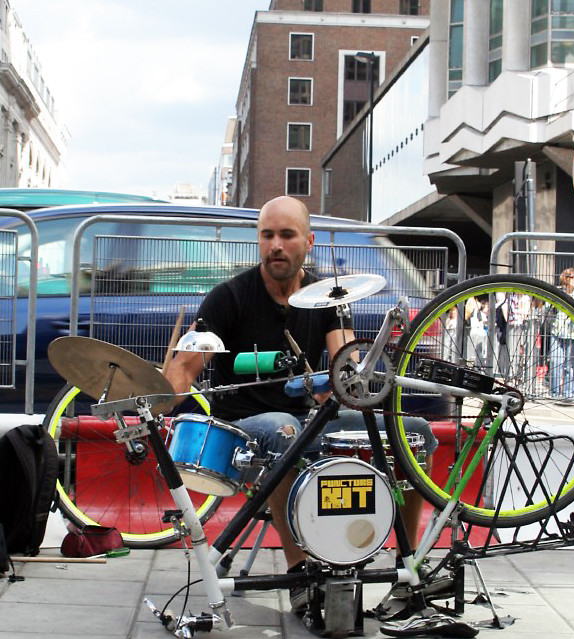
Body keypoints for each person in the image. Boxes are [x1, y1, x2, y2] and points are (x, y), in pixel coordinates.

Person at [165, 195, 437, 610]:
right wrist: (163, 393)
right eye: (267, 235)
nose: (275, 245)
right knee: (283, 429)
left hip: (307, 418)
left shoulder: (328, 297)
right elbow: (185, 368)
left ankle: (407, 564)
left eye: (287, 235)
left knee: (414, 433)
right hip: (246, 426)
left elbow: (348, 371)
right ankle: (300, 574)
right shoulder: (229, 297)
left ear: (307, 242)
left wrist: (347, 382)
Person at [549, 268, 574, 398]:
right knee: (556, 362)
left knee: (570, 365)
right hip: (557, 331)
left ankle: (569, 393)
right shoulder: (559, 292)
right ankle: (555, 392)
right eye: (571, 277)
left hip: (573, 333)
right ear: (565, 279)